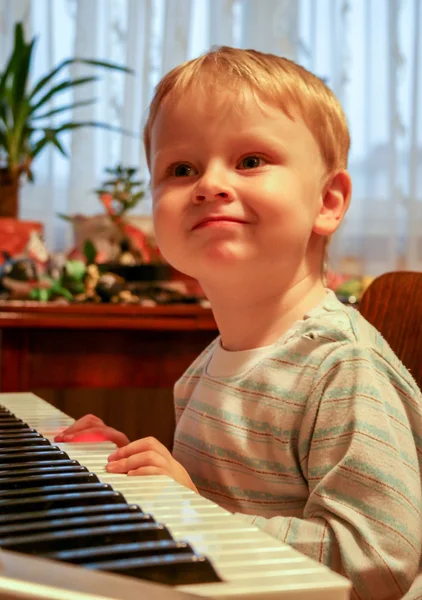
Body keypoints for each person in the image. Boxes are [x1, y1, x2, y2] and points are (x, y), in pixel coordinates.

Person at [55, 46, 422, 599]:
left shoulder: (341, 367)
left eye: (250, 160)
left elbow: (380, 560)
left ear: (328, 200)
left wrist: (191, 510)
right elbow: (229, 502)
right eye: (182, 169)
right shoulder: (207, 366)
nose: (209, 184)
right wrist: (136, 477)